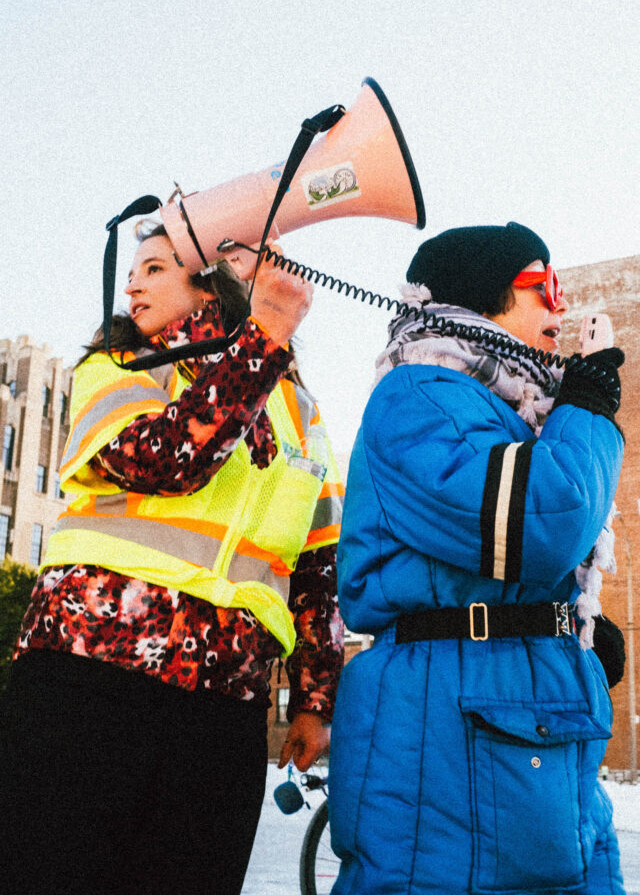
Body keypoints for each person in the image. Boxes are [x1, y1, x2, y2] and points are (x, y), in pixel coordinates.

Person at [0, 223, 344, 895]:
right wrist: (266, 333)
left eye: (155, 268)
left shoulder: (303, 414)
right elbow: (165, 458)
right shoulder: (115, 368)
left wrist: (313, 700)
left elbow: (316, 568)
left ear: (212, 281)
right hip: (87, 683)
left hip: (223, 711)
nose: (132, 284)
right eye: (134, 270)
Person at [328, 222, 626, 895]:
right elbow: (541, 522)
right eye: (542, 286)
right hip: (455, 729)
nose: (560, 305)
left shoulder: (503, 405)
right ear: (482, 297)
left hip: (512, 718)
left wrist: (561, 628)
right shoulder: (420, 394)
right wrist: (589, 414)